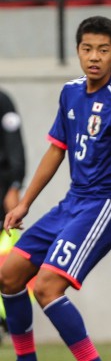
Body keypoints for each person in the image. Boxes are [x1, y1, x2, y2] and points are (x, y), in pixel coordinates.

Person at [0, 15, 111, 361]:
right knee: (9, 277)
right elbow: (56, 149)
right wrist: (25, 203)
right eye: (87, 49)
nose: (94, 56)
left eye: (103, 50)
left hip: (104, 206)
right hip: (71, 203)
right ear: (78, 51)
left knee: (47, 287)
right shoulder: (70, 92)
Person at [0, 87, 26, 338]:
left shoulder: (2, 100)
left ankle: (6, 320)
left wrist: (15, 185)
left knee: (8, 259)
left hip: (1, 192)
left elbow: (15, 147)